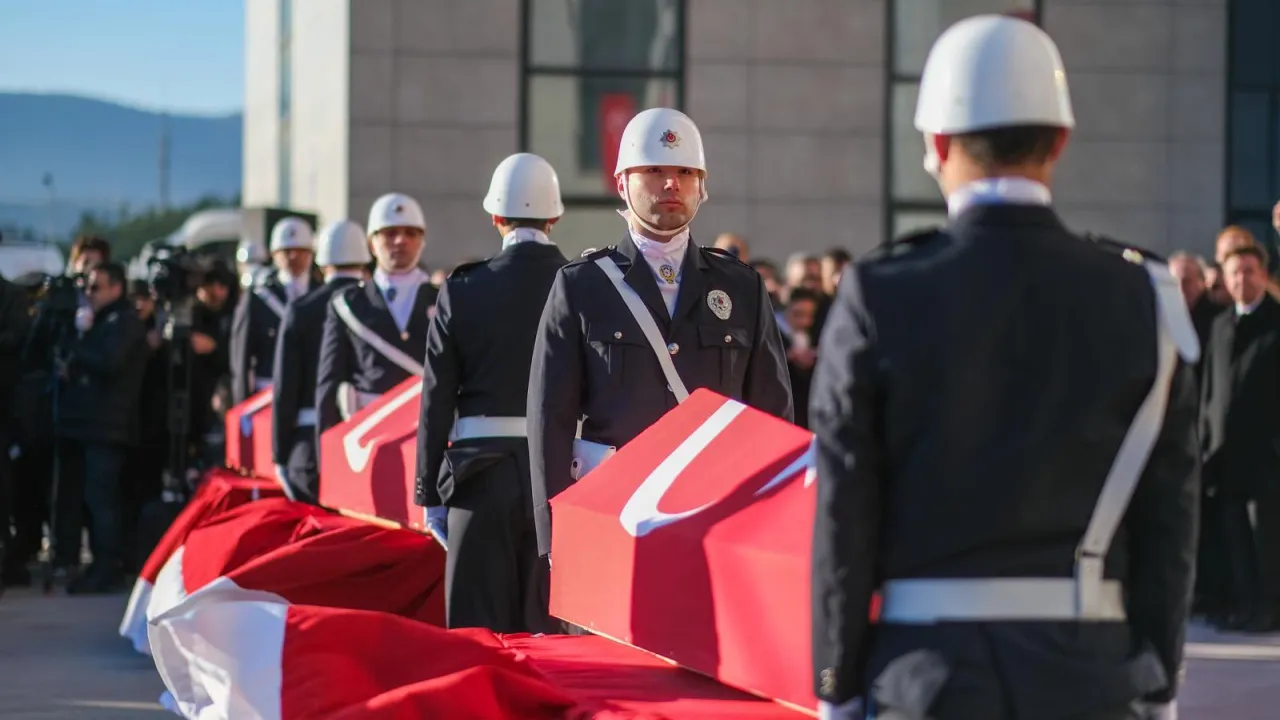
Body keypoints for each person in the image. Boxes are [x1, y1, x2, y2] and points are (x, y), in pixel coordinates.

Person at [809, 16, 1199, 720]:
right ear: (1061, 139)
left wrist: (837, 681)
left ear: (936, 144)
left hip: (926, 680)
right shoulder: (1143, 296)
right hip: (1092, 681)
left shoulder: (880, 293)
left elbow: (845, 513)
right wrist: (1159, 680)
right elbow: (1168, 518)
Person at [527, 107, 793, 561]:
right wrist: (558, 534)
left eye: (685, 172)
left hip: (717, 516)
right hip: (613, 515)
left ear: (701, 185)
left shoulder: (741, 286)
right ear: (622, 183)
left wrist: (775, 523)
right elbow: (549, 418)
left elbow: (772, 414)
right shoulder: (582, 285)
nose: (671, 184)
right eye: (654, 170)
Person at [414, 153, 570, 633]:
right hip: (561, 476)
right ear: (554, 217)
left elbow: (437, 396)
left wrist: (428, 489)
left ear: (496, 216)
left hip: (477, 476)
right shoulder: (584, 284)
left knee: (477, 633)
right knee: (550, 633)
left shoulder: (464, 287)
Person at [1200, 244, 1280, 633]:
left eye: (1249, 271)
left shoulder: (1276, 323)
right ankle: (1244, 603)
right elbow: (1210, 390)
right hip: (1225, 452)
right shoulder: (1220, 326)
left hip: (1266, 455)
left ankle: (1269, 607)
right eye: (1234, 272)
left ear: (1263, 275)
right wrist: (1205, 439)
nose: (1241, 279)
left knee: (1265, 535)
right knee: (1234, 536)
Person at [316, 193, 439, 435]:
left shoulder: (446, 299)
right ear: (371, 243)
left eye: (411, 233)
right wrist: (328, 448)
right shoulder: (347, 303)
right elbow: (329, 383)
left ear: (422, 241)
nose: (400, 240)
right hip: (369, 432)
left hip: (429, 431)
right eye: (390, 233)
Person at [271, 220, 371, 503]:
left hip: (309, 445)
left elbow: (285, 390)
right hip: (370, 445)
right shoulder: (378, 308)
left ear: (322, 260)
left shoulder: (301, 310)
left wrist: (280, 455)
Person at [230, 217, 319, 405]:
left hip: (312, 398)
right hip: (267, 397)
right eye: (286, 251)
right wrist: (243, 405)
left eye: (301, 250)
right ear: (273, 254)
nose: (293, 256)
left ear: (311, 254)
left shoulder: (322, 295)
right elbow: (241, 358)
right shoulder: (258, 298)